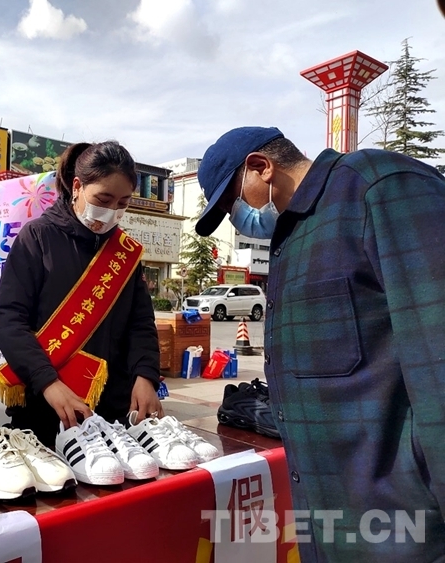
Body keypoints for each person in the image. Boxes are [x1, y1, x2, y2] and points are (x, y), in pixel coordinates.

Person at [195, 126, 445, 561]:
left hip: (406, 523)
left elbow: (436, 359)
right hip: (330, 520)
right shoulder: (293, 238)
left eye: (233, 202)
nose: (236, 218)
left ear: (261, 167)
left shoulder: (377, 188)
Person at [0, 141, 162, 447]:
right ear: (77, 186)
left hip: (113, 412)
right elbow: (10, 320)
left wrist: (145, 376)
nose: (111, 212)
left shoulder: (124, 253)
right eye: (103, 199)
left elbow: (140, 323)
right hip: (46, 407)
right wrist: (48, 382)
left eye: (122, 203)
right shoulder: (38, 237)